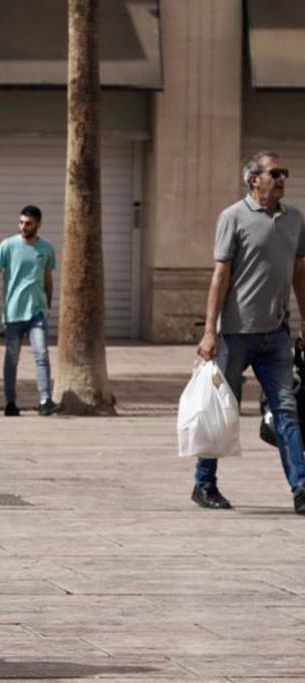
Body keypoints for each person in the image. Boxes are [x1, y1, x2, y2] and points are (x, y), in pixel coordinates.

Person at [193, 151, 305, 513]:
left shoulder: (295, 220)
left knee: (286, 410)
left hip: (276, 335)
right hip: (235, 334)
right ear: (253, 179)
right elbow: (220, 276)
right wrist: (210, 331)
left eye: (284, 173)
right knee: (222, 410)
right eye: (275, 173)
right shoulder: (233, 217)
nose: (282, 178)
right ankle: (204, 483)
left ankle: (302, 489)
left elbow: (300, 274)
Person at [0, 205, 58, 417]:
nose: (24, 226)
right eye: (21, 222)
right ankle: (10, 402)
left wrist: (48, 302)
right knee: (12, 359)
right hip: (13, 312)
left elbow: (48, 278)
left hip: (37, 312)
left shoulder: (46, 249)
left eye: (28, 223)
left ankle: (44, 400)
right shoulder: (8, 245)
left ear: (38, 224)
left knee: (41, 354)